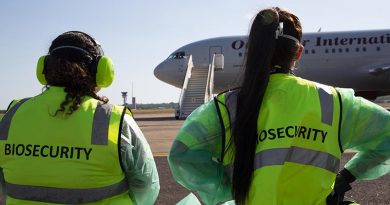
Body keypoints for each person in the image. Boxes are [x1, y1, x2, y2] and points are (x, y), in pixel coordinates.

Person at [168, 7, 390, 205]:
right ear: (298, 53)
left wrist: (224, 194)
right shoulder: (335, 101)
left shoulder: (225, 107)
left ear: (252, 51)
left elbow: (182, 155)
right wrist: (348, 175)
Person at [0, 31, 159, 204]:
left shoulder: (12, 115)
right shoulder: (113, 119)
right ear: (99, 70)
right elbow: (147, 185)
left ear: (44, 68)